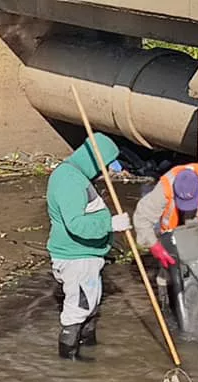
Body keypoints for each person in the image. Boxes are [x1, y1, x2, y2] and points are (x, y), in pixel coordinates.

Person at [46, 133, 131, 360]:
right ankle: (69, 364)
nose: (104, 172)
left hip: (84, 257)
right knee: (78, 309)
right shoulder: (70, 181)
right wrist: (110, 224)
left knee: (90, 306)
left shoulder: (73, 175)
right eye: (104, 165)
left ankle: (89, 351)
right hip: (77, 257)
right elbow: (75, 224)